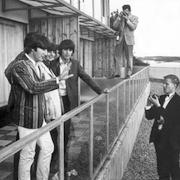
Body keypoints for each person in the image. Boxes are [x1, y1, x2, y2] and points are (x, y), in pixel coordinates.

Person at [4, 33, 72, 180]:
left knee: (48, 147)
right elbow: (33, 87)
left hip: (39, 117)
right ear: (33, 49)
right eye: (43, 49)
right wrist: (58, 80)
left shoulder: (35, 64)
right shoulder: (20, 66)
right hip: (27, 118)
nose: (46, 53)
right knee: (27, 155)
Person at [48, 39, 108, 172]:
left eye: (70, 50)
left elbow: (86, 77)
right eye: (65, 49)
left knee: (65, 132)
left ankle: (63, 162)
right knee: (52, 131)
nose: (68, 52)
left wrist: (100, 90)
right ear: (60, 50)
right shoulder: (52, 64)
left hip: (68, 101)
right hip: (54, 101)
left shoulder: (75, 64)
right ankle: (53, 159)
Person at [145, 74, 180, 180]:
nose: (164, 86)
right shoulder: (160, 98)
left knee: (174, 169)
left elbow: (167, 120)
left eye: (167, 84)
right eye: (163, 83)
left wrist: (158, 106)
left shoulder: (178, 102)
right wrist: (148, 104)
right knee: (161, 169)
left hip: (172, 141)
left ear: (175, 85)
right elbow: (149, 116)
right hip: (159, 139)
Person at [112, 4, 138, 77]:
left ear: (129, 11)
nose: (125, 13)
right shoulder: (120, 17)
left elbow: (133, 27)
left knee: (129, 57)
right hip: (120, 39)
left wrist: (127, 20)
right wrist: (118, 18)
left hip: (129, 40)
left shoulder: (134, 18)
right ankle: (117, 73)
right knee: (117, 56)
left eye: (127, 11)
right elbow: (114, 26)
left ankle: (129, 73)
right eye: (124, 11)